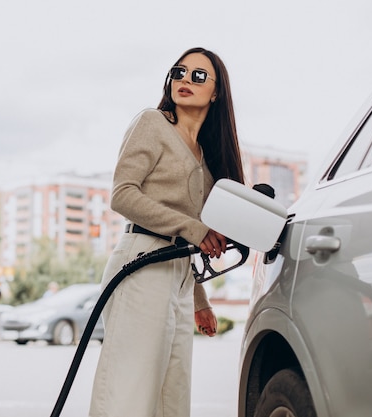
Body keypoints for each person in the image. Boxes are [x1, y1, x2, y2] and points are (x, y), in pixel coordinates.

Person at [88, 47, 244, 417]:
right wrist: (194, 228)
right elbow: (123, 194)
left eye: (198, 75)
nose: (185, 80)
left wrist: (199, 301)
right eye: (179, 72)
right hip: (140, 263)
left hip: (178, 275)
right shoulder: (153, 123)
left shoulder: (206, 157)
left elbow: (186, 238)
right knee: (130, 394)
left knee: (171, 398)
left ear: (217, 92)